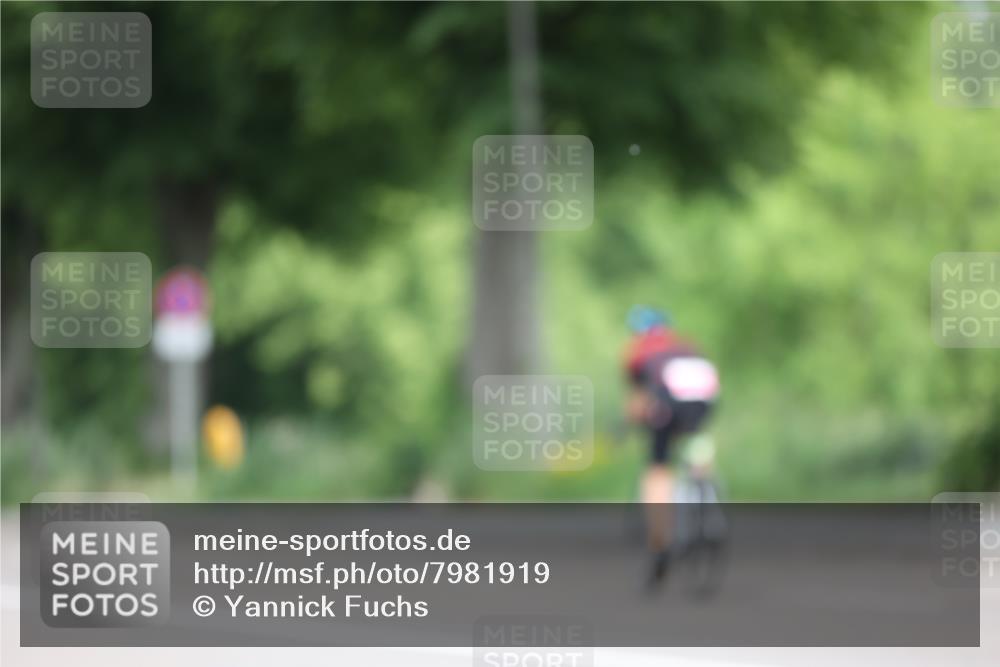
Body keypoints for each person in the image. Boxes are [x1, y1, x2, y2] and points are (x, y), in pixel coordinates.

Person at [623, 305, 720, 588]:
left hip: (667, 401)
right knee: (695, 434)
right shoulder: (687, 346)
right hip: (703, 397)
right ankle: (704, 481)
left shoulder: (638, 352)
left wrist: (633, 423)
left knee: (658, 469)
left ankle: (660, 543)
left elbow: (638, 403)